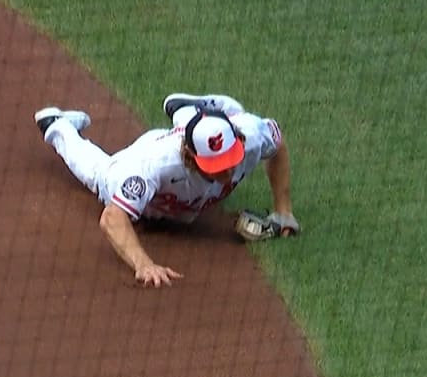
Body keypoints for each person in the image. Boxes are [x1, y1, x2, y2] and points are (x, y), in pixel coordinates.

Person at [33, 93, 299, 288]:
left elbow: (278, 145)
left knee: (226, 118)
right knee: (98, 174)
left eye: (229, 161)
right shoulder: (147, 167)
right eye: (215, 166)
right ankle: (56, 125)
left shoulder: (251, 133)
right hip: (146, 191)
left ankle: (182, 107)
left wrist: (283, 211)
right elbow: (112, 218)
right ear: (189, 157)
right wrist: (144, 265)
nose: (226, 172)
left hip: (190, 156)